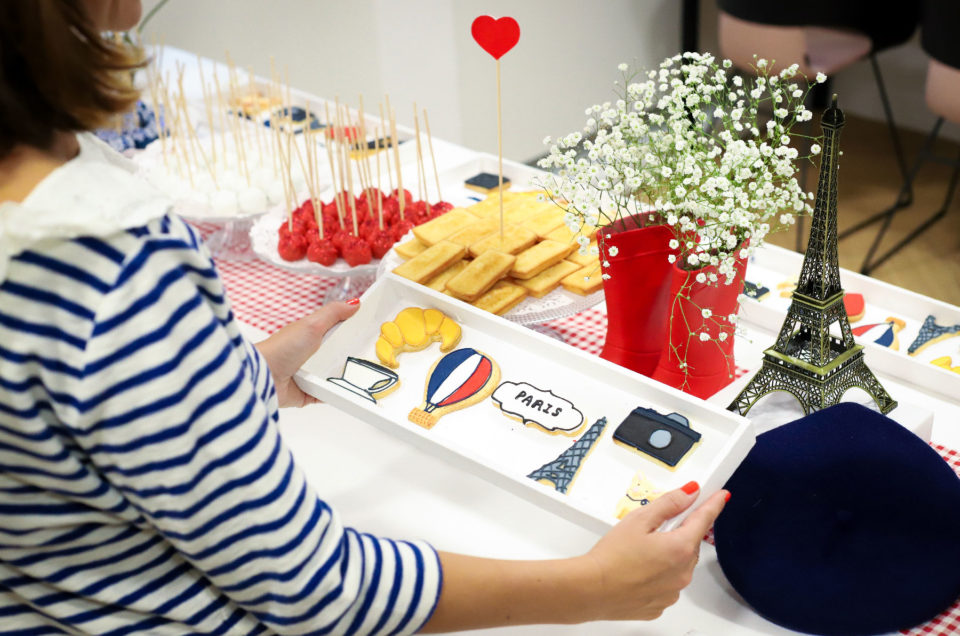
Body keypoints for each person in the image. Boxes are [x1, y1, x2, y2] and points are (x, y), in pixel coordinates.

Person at [0, 1, 729, 634]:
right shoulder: (111, 266)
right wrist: (594, 588)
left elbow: (64, 437)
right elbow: (316, 588)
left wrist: (230, 376)